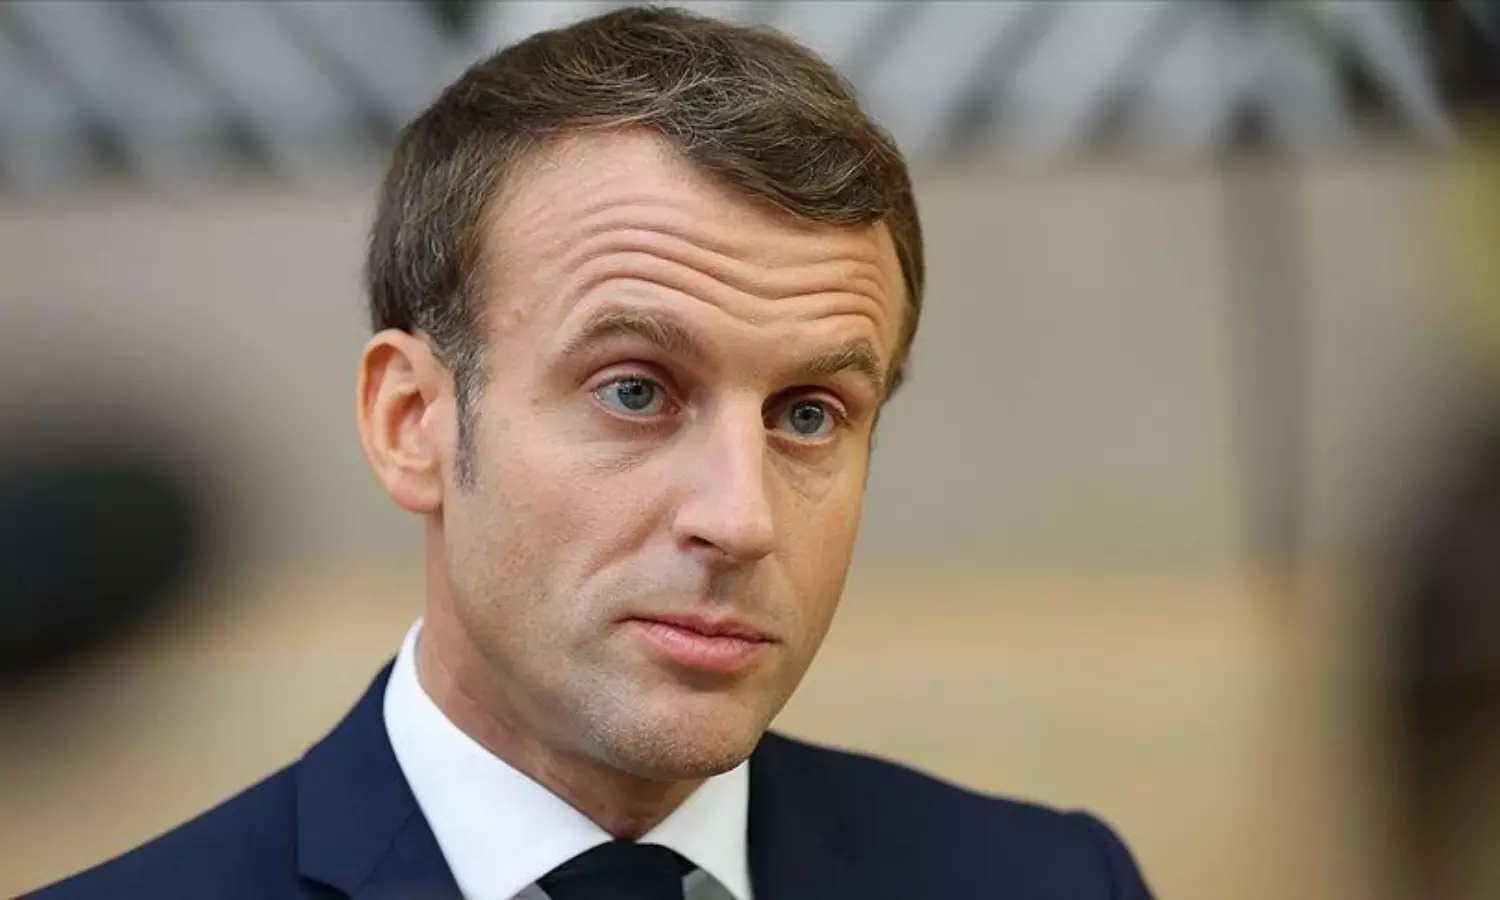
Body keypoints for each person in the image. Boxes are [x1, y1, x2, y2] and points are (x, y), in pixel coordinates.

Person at [28, 7, 1152, 899]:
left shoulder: (1052, 881)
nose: (741, 520)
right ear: (411, 422)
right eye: (635, 391)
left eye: (809, 414)